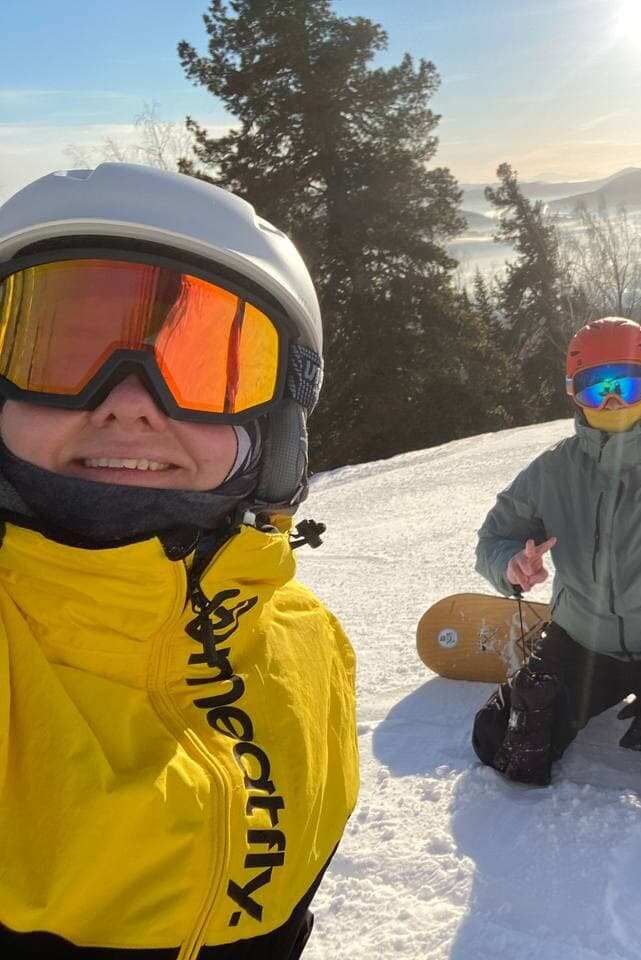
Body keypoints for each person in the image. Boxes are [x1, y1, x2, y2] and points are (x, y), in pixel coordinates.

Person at [0, 163, 358, 958]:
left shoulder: (312, 645)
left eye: (202, 364)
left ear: (273, 427)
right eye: (59, 350)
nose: (128, 400)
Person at [472, 318, 641, 806]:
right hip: (584, 640)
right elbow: (494, 537)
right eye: (594, 388)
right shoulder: (554, 469)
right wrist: (510, 566)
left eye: (623, 385)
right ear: (573, 393)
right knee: (503, 745)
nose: (610, 402)